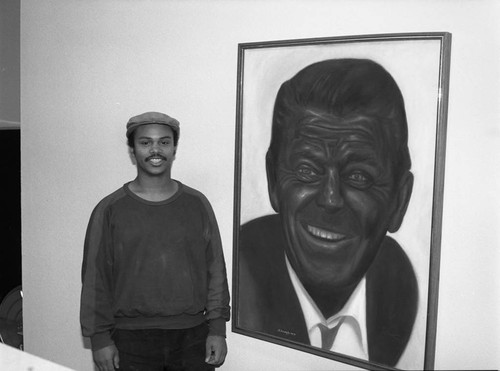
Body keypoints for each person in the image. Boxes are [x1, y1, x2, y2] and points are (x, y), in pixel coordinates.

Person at [238, 59, 418, 367]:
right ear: (273, 181)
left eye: (359, 176)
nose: (331, 199)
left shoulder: (400, 291)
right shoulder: (237, 281)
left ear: (399, 201)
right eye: (307, 170)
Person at [80, 111, 230, 371]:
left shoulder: (197, 204)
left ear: (174, 148)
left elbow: (215, 268)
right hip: (129, 342)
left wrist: (217, 328)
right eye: (145, 142)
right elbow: (95, 279)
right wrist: (99, 338)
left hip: (193, 337)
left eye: (164, 141)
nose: (155, 149)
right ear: (132, 150)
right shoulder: (110, 209)